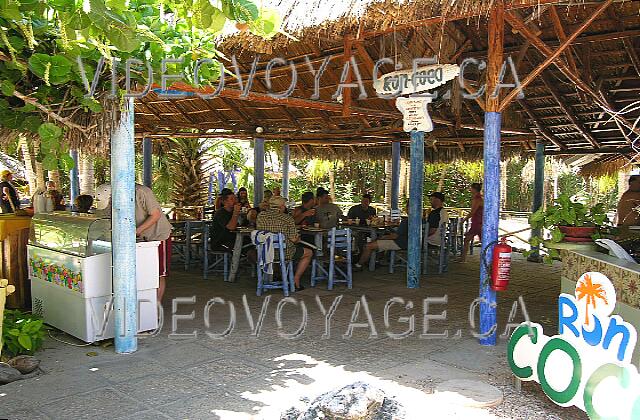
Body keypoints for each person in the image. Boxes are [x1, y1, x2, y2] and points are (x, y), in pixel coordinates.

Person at [95, 183, 173, 302]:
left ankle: (156, 306)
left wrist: (135, 232)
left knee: (158, 273)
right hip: (137, 240)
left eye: (110, 202)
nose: (109, 205)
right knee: (142, 271)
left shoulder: (142, 192)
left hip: (157, 235)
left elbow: (155, 215)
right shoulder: (109, 199)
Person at [256, 197, 312, 291]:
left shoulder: (261, 216)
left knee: (280, 250)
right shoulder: (287, 218)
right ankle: (295, 280)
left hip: (264, 253)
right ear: (282, 207)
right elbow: (294, 239)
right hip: (284, 253)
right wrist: (298, 239)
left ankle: (274, 277)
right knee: (308, 253)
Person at [354, 200, 412, 271]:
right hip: (410, 243)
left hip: (400, 243)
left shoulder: (406, 221)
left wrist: (383, 237)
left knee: (368, 246)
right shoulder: (420, 220)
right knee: (378, 240)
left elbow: (395, 236)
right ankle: (376, 261)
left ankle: (358, 265)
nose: (406, 208)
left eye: (407, 207)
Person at [460, 183, 483, 262]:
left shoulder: (477, 199)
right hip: (478, 222)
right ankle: (463, 258)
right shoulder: (479, 198)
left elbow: (472, 212)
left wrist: (464, 220)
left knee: (467, 239)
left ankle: (463, 259)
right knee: (468, 239)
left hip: (477, 223)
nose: (470, 190)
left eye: (471, 188)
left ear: (474, 189)